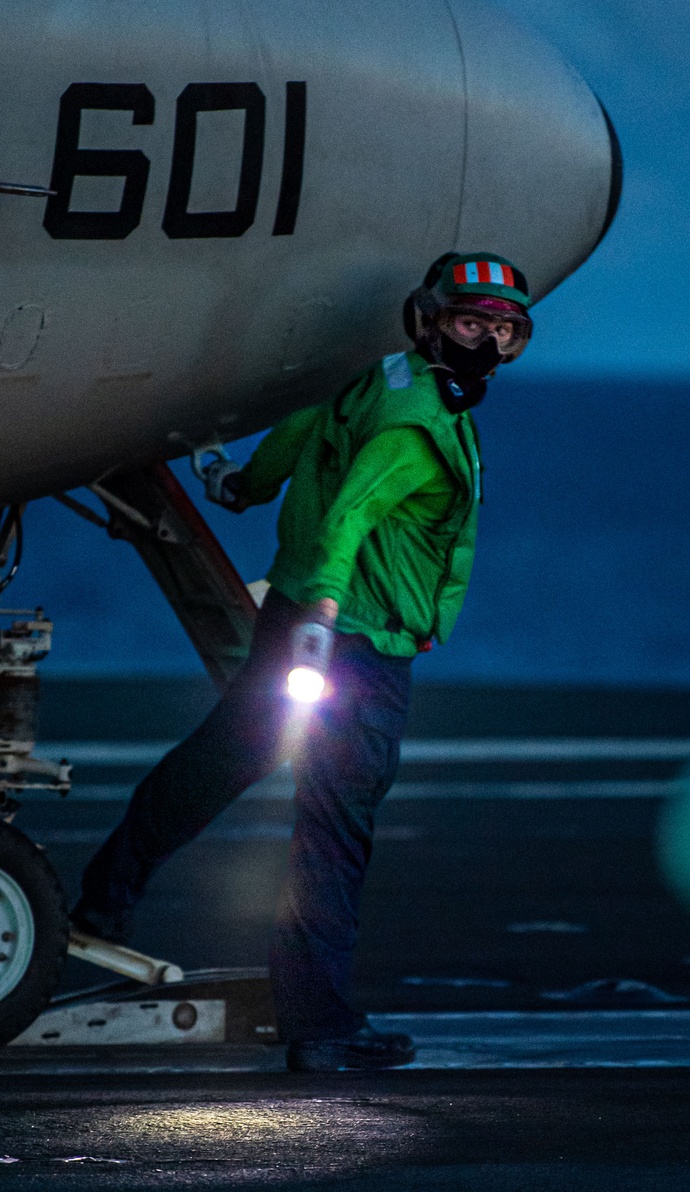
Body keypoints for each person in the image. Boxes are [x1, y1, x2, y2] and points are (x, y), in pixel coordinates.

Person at [71, 251, 534, 1071]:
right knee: (334, 827)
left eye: (501, 329)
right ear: (430, 320)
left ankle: (101, 906)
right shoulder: (418, 422)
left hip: (295, 615)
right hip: (353, 640)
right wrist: (325, 610)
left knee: (224, 756)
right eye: (471, 323)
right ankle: (319, 1027)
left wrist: (243, 487)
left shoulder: (380, 376)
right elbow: (351, 515)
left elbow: (302, 431)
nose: (486, 343)